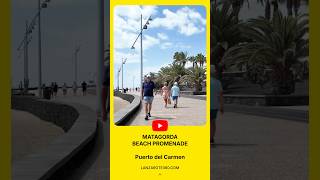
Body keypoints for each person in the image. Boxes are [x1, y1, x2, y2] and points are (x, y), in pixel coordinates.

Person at [210, 65, 224, 145]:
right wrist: (222, 106)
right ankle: (211, 138)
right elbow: (221, 95)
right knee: (212, 122)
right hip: (214, 106)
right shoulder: (217, 82)